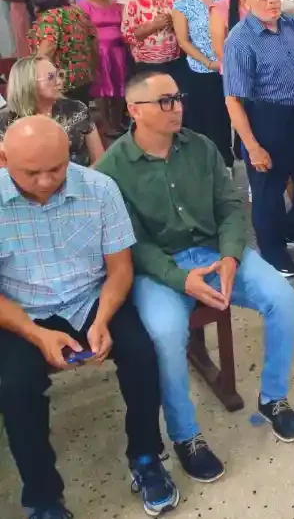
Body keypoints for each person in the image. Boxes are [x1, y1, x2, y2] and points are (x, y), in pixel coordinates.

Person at [95, 70, 294, 485]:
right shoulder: (111, 170)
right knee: (165, 333)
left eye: (178, 98)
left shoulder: (201, 147)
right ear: (135, 110)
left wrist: (229, 257)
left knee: (283, 298)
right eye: (165, 101)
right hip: (160, 267)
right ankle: (185, 435)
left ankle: (273, 397)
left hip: (215, 251)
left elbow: (229, 207)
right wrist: (179, 278)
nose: (177, 108)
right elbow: (131, 243)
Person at [0, 116, 179, 518]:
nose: (46, 181)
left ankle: (146, 457)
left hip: (92, 298)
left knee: (141, 354)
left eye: (56, 168)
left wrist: (102, 319)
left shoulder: (99, 188)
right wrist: (36, 334)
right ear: (4, 160)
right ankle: (43, 496)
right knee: (15, 386)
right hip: (22, 310)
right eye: (32, 173)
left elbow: (120, 269)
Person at [223, 0, 294, 277]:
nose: (272, 0)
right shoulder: (240, 40)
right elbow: (233, 100)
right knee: (269, 189)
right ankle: (272, 251)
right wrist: (252, 146)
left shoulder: (293, 25)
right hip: (267, 118)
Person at [172, 0, 233, 168]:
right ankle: (204, 163)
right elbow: (183, 40)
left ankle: (225, 161)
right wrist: (208, 62)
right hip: (200, 68)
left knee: (225, 118)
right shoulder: (183, 3)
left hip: (227, 67)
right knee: (204, 118)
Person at [0, 56, 105, 166]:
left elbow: (99, 159)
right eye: (51, 77)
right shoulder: (6, 122)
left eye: (59, 75)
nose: (59, 82)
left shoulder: (77, 109)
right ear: (28, 84)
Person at [28, 0, 97, 103]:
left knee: (62, 115)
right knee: (80, 112)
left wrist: (34, 79)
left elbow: (45, 52)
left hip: (59, 83)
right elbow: (93, 41)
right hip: (83, 78)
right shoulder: (77, 12)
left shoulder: (49, 18)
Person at [77, 0, 128, 136]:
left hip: (118, 50)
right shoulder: (83, 5)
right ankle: (106, 124)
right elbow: (81, 31)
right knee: (103, 89)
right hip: (98, 51)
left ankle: (118, 121)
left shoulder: (115, 3)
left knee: (120, 87)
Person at [121, 0, 180, 78]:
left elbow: (186, 26)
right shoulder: (133, 5)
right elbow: (129, 37)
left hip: (176, 61)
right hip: (147, 64)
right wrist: (152, 26)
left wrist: (174, 22)